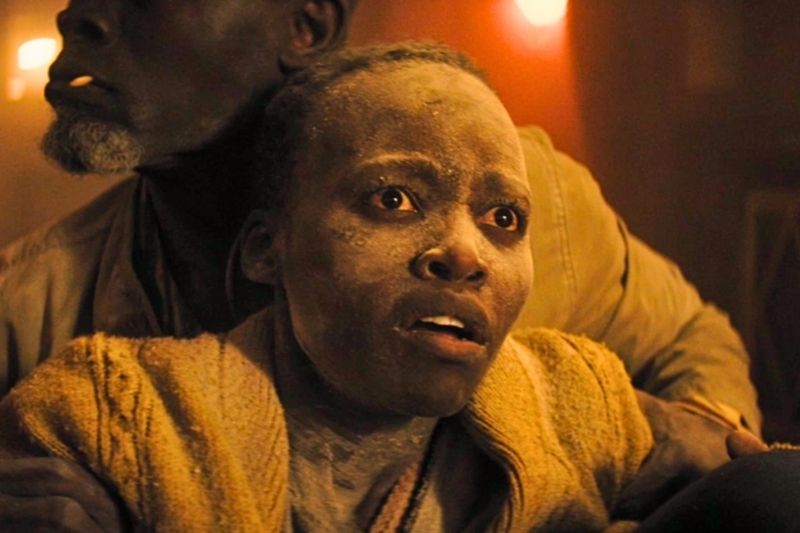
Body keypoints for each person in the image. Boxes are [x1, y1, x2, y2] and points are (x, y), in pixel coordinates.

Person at [0, 0, 759, 528]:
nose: (78, 16)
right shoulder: (32, 306)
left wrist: (689, 489)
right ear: (266, 248)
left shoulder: (532, 196)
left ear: (307, 23)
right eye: (392, 201)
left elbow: (690, 342)